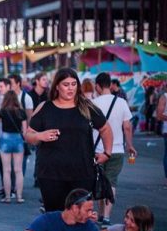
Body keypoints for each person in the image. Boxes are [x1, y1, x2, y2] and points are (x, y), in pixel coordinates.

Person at [25, 68, 112, 212]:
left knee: (80, 216)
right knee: (55, 216)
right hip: (50, 174)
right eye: (66, 84)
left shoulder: (87, 106)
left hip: (82, 173)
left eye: (73, 84)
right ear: (57, 86)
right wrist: (40, 136)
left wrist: (107, 153)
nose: (70, 88)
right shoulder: (45, 108)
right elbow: (29, 135)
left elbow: (105, 129)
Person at [92, 73, 137, 227]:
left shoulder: (94, 103)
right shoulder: (121, 102)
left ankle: (100, 214)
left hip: (98, 150)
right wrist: (130, 145)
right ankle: (106, 217)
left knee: (98, 181)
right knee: (111, 182)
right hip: (117, 149)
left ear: (98, 86)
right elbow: (127, 127)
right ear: (110, 85)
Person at [0, 91, 27, 203]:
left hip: (5, 139)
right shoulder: (21, 112)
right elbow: (25, 130)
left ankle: (7, 197)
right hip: (18, 139)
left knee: (6, 170)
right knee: (18, 170)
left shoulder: (3, 111)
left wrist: (1, 107)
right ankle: (19, 197)